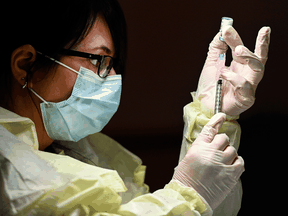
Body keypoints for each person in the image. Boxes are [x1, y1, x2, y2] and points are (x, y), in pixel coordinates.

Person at [0, 0, 270, 215]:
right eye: (99, 60)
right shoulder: (9, 173)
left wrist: (212, 115)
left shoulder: (81, 152)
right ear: (25, 64)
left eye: (112, 63)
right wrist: (190, 194)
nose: (113, 77)